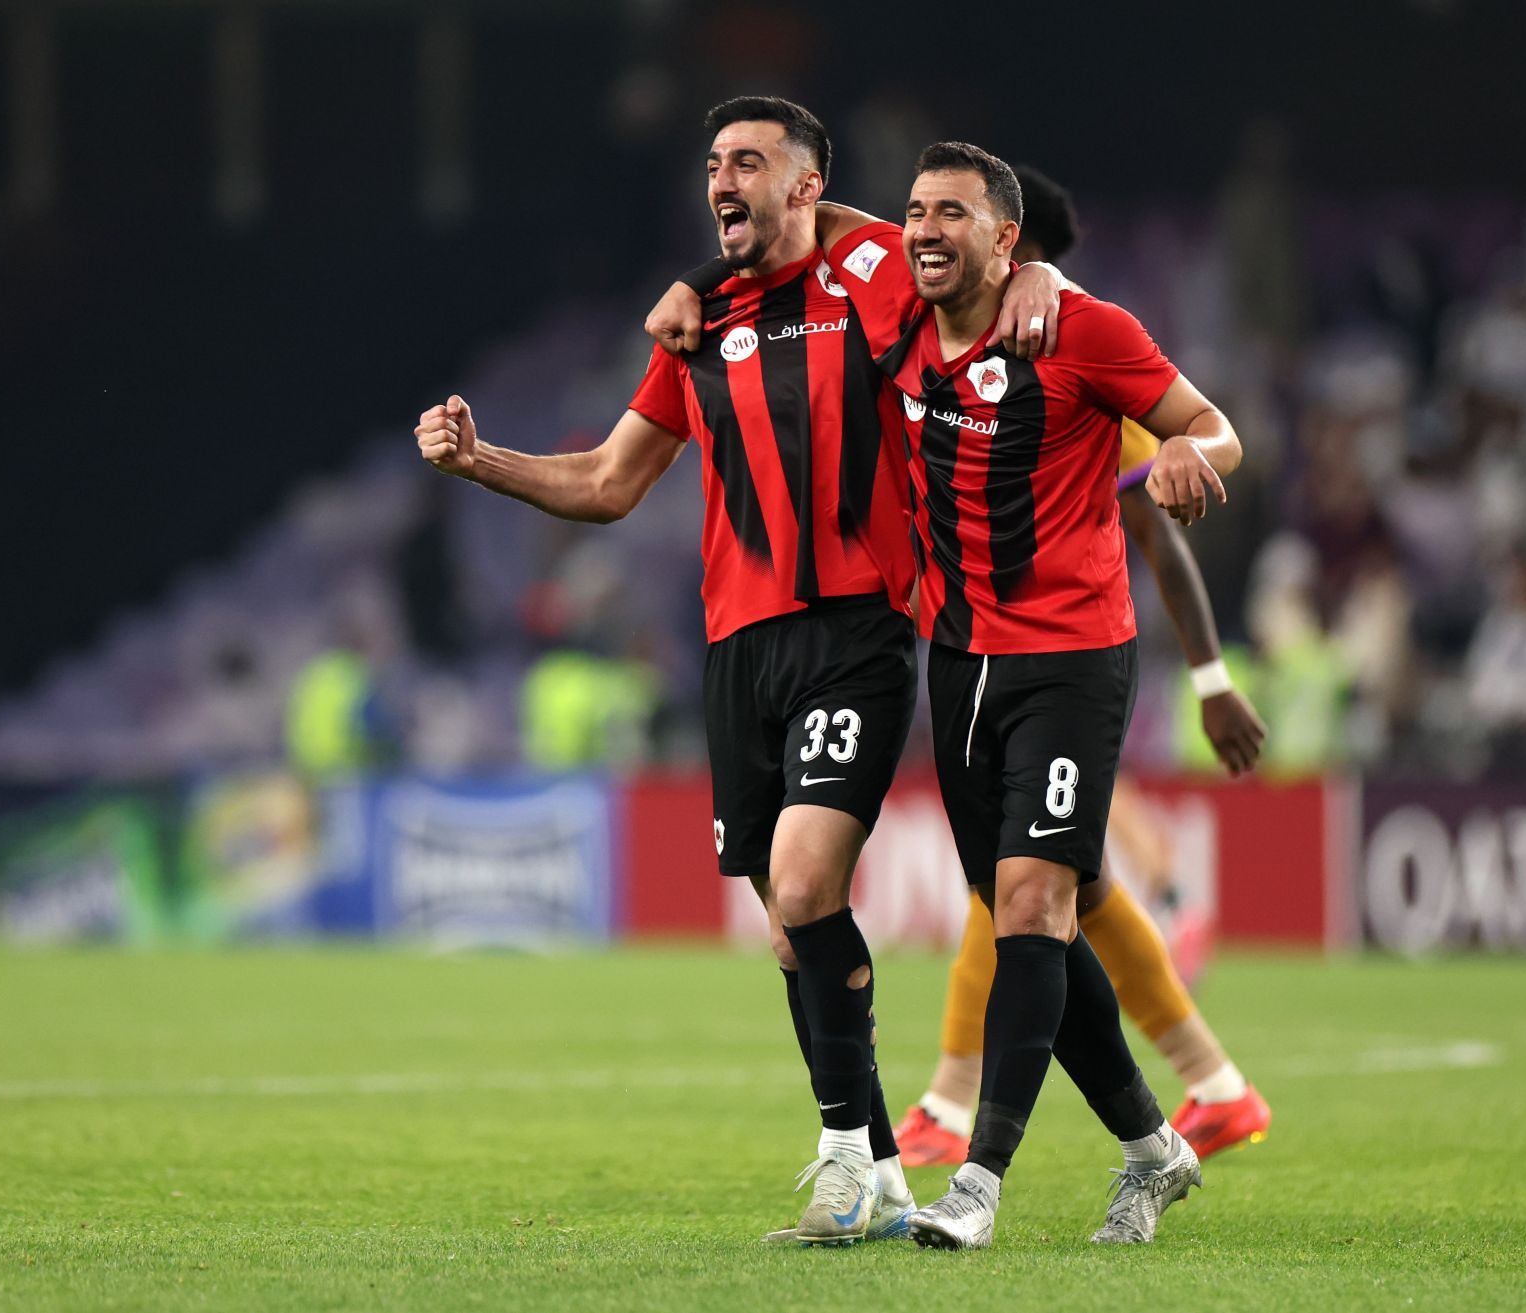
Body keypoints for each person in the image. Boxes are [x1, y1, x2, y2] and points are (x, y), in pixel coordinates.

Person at [416, 97, 1066, 1247]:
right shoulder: (698, 323)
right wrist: (483, 462)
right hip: (738, 648)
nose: (724, 179)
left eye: (752, 162)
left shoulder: (866, 270)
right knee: (788, 927)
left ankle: (837, 1156)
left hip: (857, 629)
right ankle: (875, 1173)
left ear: (807, 186)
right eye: (714, 162)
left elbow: (956, 251)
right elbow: (610, 484)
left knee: (809, 884)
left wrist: (1038, 280)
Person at [813, 142, 1242, 1248]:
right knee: (1026, 928)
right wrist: (695, 286)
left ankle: (977, 1182)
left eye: (952, 213)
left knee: (1037, 907)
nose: (923, 231)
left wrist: (1200, 453)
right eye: (914, 213)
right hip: (954, 666)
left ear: (1008, 241)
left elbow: (1213, 424)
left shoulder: (1083, 328)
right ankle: (1154, 1149)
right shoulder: (901, 308)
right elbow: (807, 217)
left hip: (1071, 658)